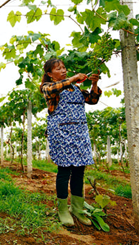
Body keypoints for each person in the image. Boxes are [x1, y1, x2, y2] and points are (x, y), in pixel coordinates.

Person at [40, 58, 101, 227]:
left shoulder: (76, 88)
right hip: (61, 133)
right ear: (50, 74)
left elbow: (93, 100)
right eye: (58, 69)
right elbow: (54, 89)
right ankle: (63, 210)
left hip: (79, 133)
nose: (63, 70)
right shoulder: (49, 88)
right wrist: (73, 78)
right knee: (64, 170)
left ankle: (77, 208)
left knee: (79, 171)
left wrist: (94, 85)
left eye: (64, 68)